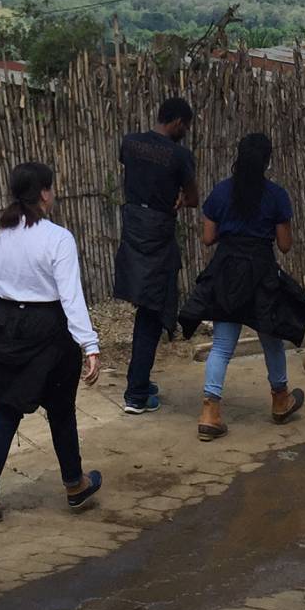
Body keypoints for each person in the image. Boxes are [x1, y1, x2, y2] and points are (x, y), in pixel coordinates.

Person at [0, 163, 104, 526]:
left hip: (6, 325)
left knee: (5, 409)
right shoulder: (58, 238)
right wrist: (89, 344)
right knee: (61, 410)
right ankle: (75, 485)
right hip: (49, 328)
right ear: (44, 193)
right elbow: (70, 295)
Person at [179, 133, 305, 441]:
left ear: (238, 156)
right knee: (271, 340)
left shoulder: (221, 192)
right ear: (267, 161)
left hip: (226, 273)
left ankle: (210, 413)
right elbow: (285, 245)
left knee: (222, 347)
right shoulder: (276, 195)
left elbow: (208, 238)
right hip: (261, 274)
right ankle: (280, 400)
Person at [111, 97, 199, 415]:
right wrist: (180, 199)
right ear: (177, 122)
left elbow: (134, 169)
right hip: (158, 235)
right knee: (152, 310)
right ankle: (136, 394)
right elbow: (193, 197)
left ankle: (140, 381)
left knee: (146, 307)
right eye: (185, 126)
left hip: (133, 230)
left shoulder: (130, 143)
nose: (186, 132)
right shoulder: (180, 156)